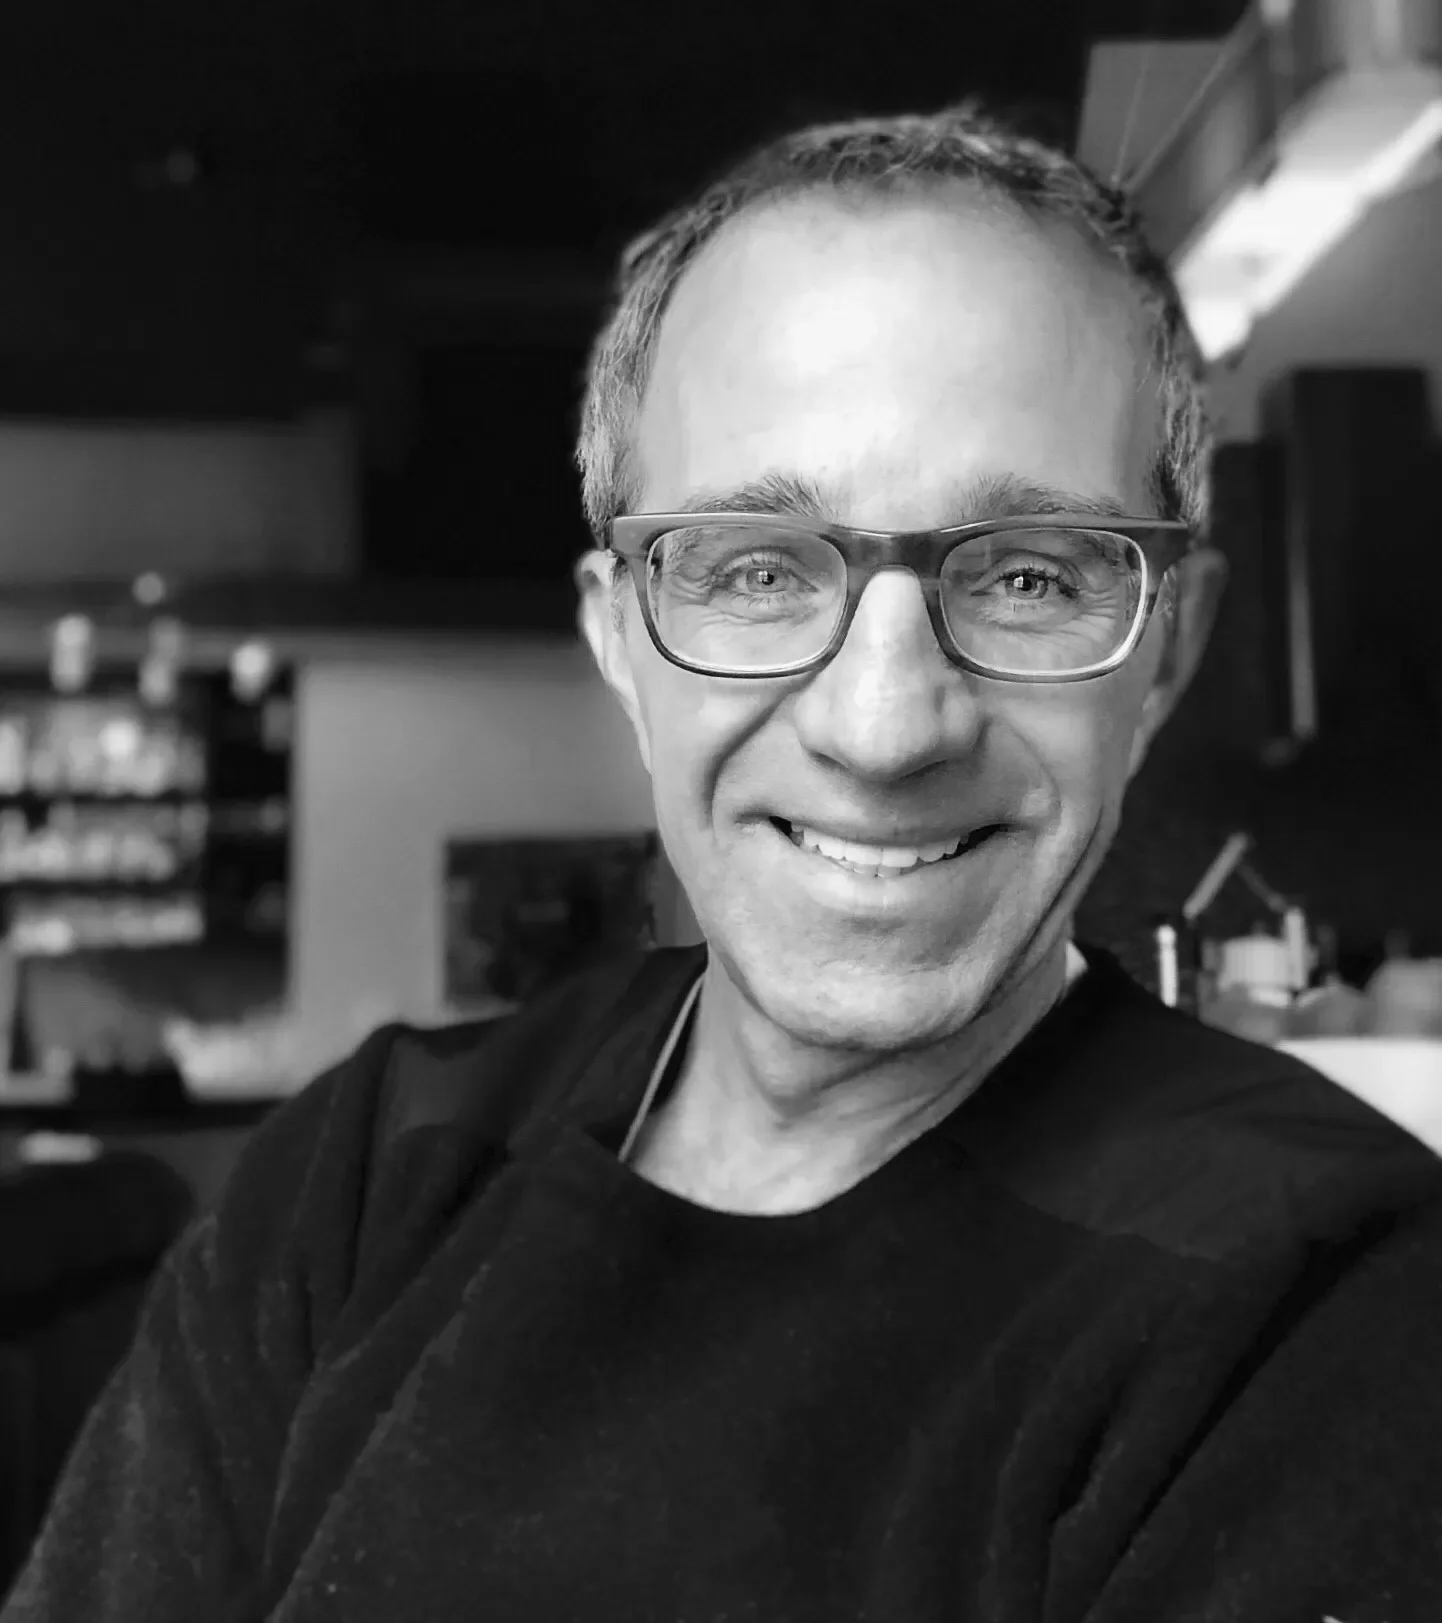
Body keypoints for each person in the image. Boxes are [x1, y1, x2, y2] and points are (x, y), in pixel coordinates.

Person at [5, 101, 1442, 1623]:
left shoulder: (1323, 1307)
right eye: (755, 570)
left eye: (1028, 574)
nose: (883, 725)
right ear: (618, 635)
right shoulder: (365, 1177)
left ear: (1166, 654)